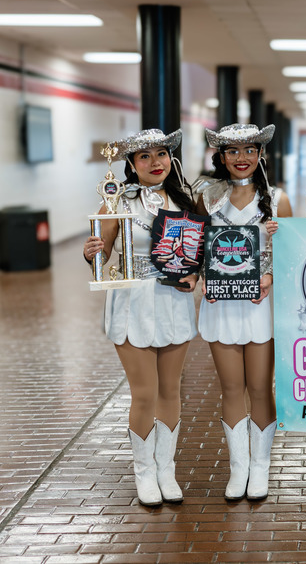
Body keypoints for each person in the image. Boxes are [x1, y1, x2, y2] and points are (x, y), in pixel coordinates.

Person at [82, 128, 198, 507]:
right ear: (132, 164)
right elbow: (101, 253)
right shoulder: (117, 201)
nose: (155, 162)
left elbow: (197, 252)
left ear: (170, 158)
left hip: (174, 301)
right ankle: (144, 472)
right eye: (144, 157)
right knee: (145, 393)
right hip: (133, 302)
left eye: (161, 154)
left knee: (170, 391)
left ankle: (166, 470)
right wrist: (92, 251)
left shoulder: (184, 199)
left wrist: (194, 274)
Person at [194, 123, 292, 501]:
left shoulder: (278, 199)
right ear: (220, 157)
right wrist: (203, 277)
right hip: (221, 305)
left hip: (260, 306)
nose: (242, 158)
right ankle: (239, 468)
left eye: (250, 150)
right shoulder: (206, 197)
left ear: (261, 153)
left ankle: (261, 466)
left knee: (260, 388)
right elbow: (195, 247)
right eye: (232, 151)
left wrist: (271, 275)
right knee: (232, 388)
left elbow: (292, 255)